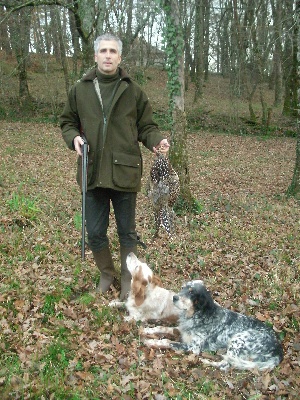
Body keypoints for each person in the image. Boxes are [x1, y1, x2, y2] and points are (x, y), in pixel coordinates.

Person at [60, 33, 169, 300]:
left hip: (124, 172)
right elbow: (67, 121)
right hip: (92, 171)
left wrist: (157, 142)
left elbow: (147, 127)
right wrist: (73, 136)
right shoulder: (80, 89)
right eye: (103, 51)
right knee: (95, 231)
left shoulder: (133, 91)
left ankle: (125, 280)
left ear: (119, 57)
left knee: (126, 232)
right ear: (96, 55)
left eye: (113, 51)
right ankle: (106, 274)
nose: (108, 55)